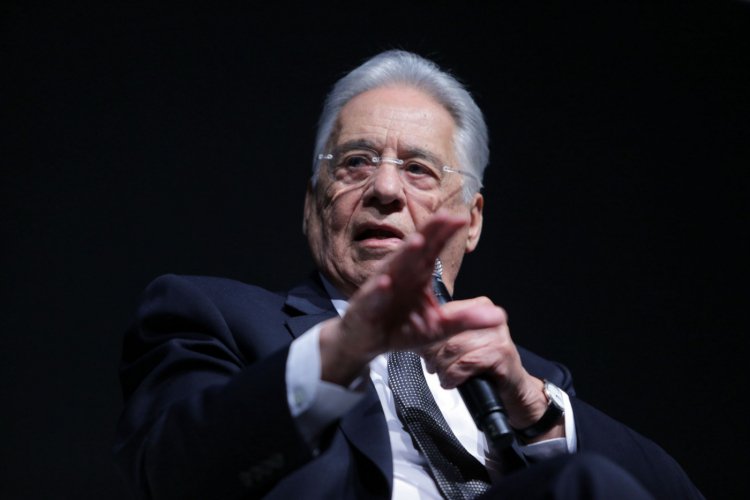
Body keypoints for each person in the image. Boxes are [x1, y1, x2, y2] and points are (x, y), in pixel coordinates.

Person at [114, 50, 703, 499]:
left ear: (471, 221)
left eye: (419, 169)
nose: (386, 189)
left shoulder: (533, 382)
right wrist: (345, 349)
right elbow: (172, 476)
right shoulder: (214, 317)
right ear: (312, 204)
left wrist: (536, 410)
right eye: (356, 162)